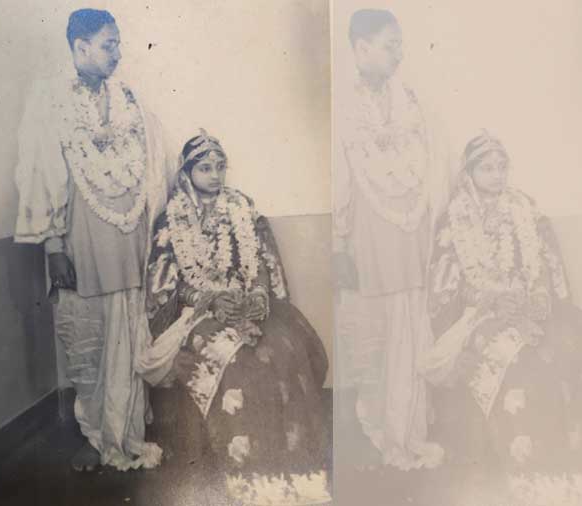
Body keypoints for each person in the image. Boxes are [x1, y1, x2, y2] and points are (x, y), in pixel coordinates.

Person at [13, 8, 175, 471]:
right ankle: (96, 433)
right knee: (91, 337)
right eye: (109, 44)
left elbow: (152, 162)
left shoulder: (128, 97)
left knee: (129, 330)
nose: (118, 53)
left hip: (130, 238)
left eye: (119, 43)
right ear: (80, 47)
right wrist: (53, 246)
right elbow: (40, 173)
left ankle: (126, 431)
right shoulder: (51, 100)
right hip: (82, 238)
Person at [139, 131, 331, 505]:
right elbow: (164, 287)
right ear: (187, 172)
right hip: (196, 313)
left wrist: (258, 294)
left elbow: (261, 263)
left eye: (220, 167)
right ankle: (242, 467)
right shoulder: (170, 219)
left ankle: (292, 465)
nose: (215, 175)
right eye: (206, 168)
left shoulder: (242, 207)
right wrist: (208, 300)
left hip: (246, 303)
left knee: (282, 348)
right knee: (236, 360)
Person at [422, 131, 582, 504]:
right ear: (469, 172)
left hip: (529, 307)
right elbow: (445, 285)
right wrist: (489, 300)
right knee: (514, 359)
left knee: (560, 346)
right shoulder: (453, 219)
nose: (497, 175)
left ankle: (563, 454)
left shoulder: (526, 207)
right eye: (487, 168)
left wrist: (537, 297)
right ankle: (524, 459)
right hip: (481, 315)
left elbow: (547, 265)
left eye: (502, 167)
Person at [332, 8, 451, 470]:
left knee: (410, 323)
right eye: (389, 44)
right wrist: (340, 242)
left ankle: (410, 428)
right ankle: (384, 426)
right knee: (377, 330)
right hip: (368, 232)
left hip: (411, 228)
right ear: (360, 48)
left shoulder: (413, 100)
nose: (398, 53)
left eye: (400, 44)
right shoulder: (342, 105)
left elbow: (432, 164)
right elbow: (342, 179)